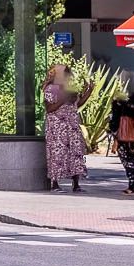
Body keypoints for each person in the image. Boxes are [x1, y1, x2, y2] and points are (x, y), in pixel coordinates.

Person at [43, 63, 88, 191]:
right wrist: (63, 99)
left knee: (74, 153)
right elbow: (49, 108)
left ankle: (76, 183)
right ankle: (55, 183)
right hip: (57, 129)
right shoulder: (51, 89)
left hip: (71, 126)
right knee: (57, 154)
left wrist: (88, 91)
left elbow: (76, 104)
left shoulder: (69, 88)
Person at [107, 85, 134, 196]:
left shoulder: (124, 106)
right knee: (129, 159)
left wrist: (116, 138)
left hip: (123, 135)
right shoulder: (131, 107)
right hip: (126, 135)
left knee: (128, 160)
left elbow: (118, 120)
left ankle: (133, 185)